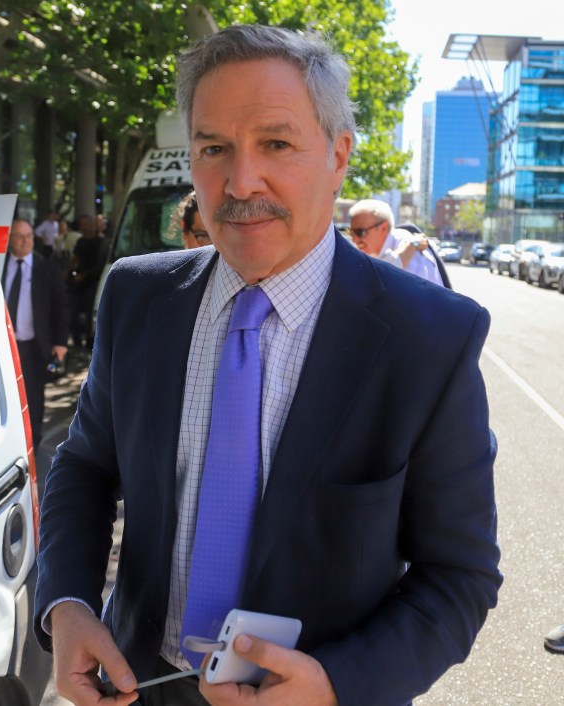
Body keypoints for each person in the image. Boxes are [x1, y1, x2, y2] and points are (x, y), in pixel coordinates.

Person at [34, 24, 501, 706]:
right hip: (136, 685)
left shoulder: (431, 337)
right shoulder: (136, 297)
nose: (240, 181)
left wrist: (337, 685)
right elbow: (85, 466)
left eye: (276, 144)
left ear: (338, 155)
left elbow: (458, 575)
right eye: (213, 148)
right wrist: (68, 602)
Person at [2, 218, 69, 449]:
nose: (26, 241)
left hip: (33, 346)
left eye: (29, 236)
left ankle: (31, 445)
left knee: (32, 399)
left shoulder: (46, 268)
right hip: (3, 347)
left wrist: (60, 342)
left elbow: (61, 306)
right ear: (10, 240)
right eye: (20, 236)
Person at [348, 199, 444, 286]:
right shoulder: (408, 247)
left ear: (383, 228)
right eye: (351, 232)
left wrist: (412, 245)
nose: (354, 240)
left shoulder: (412, 257)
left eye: (360, 232)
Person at [67, 214, 108, 349]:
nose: (84, 227)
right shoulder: (81, 241)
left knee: (91, 313)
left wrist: (83, 275)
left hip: (92, 281)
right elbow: (75, 258)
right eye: (82, 224)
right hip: (78, 282)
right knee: (74, 311)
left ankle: (90, 342)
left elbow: (99, 264)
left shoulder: (101, 242)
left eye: (86, 224)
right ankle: (77, 341)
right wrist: (70, 271)